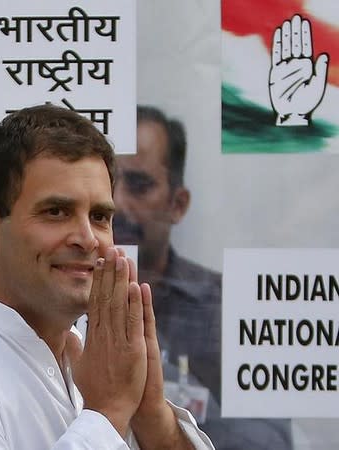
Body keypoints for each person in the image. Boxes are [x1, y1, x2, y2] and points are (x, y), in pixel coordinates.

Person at [0, 104, 213, 449]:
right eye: (56, 212)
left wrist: (149, 411)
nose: (87, 238)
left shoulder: (99, 357)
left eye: (99, 216)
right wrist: (109, 410)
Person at [112, 105, 293, 449]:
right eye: (107, 184)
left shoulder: (225, 309)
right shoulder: (65, 302)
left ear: (177, 204)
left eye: (139, 185)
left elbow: (270, 441)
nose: (117, 203)